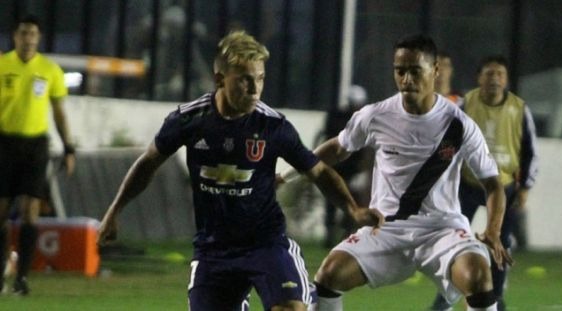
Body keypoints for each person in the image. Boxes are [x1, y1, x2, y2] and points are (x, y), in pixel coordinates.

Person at [97, 30, 382, 311]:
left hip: (265, 243)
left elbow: (318, 172)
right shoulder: (189, 121)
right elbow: (148, 162)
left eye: (260, 79)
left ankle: (300, 292)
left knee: (289, 309)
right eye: (245, 79)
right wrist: (113, 212)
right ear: (220, 78)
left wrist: (353, 210)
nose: (255, 88)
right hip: (214, 251)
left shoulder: (272, 126)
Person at [280, 34, 512, 311]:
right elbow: (337, 149)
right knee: (330, 274)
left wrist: (493, 231)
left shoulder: (459, 125)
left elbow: (493, 184)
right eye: (400, 71)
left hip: (442, 229)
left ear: (435, 71)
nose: (406, 79)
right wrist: (284, 176)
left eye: (415, 71)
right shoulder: (375, 115)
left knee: (478, 275)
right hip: (386, 227)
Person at [430, 55, 538, 311]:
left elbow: (530, 150)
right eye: (489, 74)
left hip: (503, 187)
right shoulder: (465, 104)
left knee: (500, 244)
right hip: (468, 185)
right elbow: (449, 142)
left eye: (499, 74)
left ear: (506, 79)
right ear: (479, 78)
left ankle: (495, 300)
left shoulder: (520, 109)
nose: (494, 79)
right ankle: (444, 300)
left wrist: (525, 187)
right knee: (452, 241)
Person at [0, 15, 76, 295]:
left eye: (32, 33)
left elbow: (59, 112)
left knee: (31, 209)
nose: (28, 38)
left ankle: (21, 279)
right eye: (23, 33)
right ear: (15, 36)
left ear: (38, 37)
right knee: (2, 211)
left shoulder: (49, 69)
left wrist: (69, 147)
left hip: (35, 146)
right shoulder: (2, 65)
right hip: (4, 143)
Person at [317, 85, 372, 248]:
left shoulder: (336, 116)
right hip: (343, 168)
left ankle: (342, 236)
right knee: (341, 204)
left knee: (344, 205)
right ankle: (337, 236)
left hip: (344, 168)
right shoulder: (352, 119)